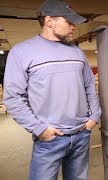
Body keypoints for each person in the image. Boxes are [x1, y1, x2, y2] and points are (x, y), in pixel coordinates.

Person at [3, 0, 101, 179]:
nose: (74, 27)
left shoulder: (76, 52)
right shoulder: (21, 52)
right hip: (50, 139)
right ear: (49, 21)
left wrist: (94, 117)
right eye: (69, 22)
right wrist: (39, 129)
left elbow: (89, 87)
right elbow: (13, 98)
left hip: (81, 135)